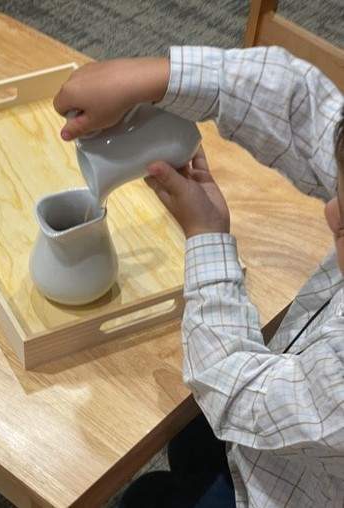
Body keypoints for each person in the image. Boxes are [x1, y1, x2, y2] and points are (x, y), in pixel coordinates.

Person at [54, 45, 344, 507]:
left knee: (144, 499)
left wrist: (205, 237)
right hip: (286, 432)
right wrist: (158, 76)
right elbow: (306, 111)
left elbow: (239, 392)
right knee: (191, 440)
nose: (330, 211)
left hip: (294, 482)